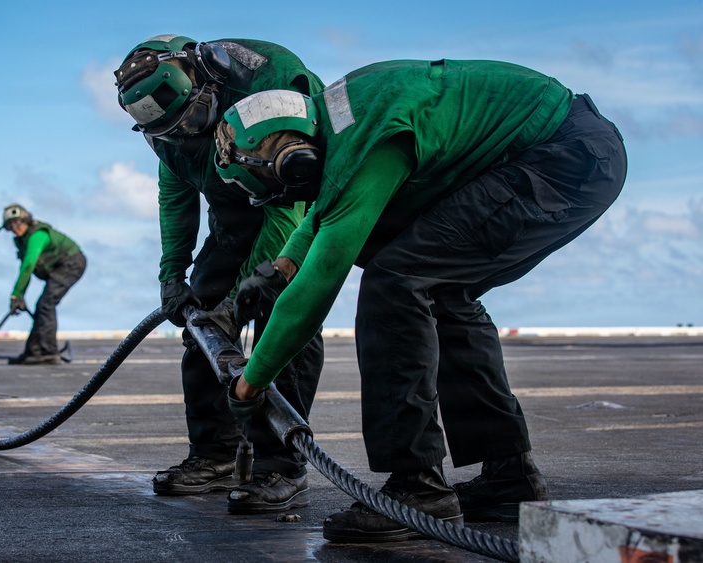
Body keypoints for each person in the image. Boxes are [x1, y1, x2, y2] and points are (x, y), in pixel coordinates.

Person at [214, 60, 626, 541]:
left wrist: (251, 382)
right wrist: (280, 268)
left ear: (291, 159)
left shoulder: (368, 143)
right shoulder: (338, 119)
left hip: (561, 158)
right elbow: (327, 210)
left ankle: (418, 487)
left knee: (397, 281)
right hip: (567, 149)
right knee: (446, 293)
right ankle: (510, 479)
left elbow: (318, 287)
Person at [113, 34, 326, 514]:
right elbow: (176, 193)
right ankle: (214, 455)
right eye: (171, 134)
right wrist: (173, 274)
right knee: (203, 325)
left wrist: (245, 299)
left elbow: (287, 214)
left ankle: (280, 467)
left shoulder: (269, 85)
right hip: (231, 212)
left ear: (207, 82)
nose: (187, 138)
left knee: (283, 320)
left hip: (293, 203)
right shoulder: (169, 130)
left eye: (194, 122)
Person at [0, 203, 86, 366]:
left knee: (46, 304)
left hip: (71, 263)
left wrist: (17, 293)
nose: (14, 228)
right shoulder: (21, 240)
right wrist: (19, 295)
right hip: (58, 268)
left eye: (17, 223)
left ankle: (48, 352)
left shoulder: (37, 236)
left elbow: (29, 264)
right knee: (42, 306)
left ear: (26, 220)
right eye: (10, 226)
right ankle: (33, 352)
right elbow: (26, 267)